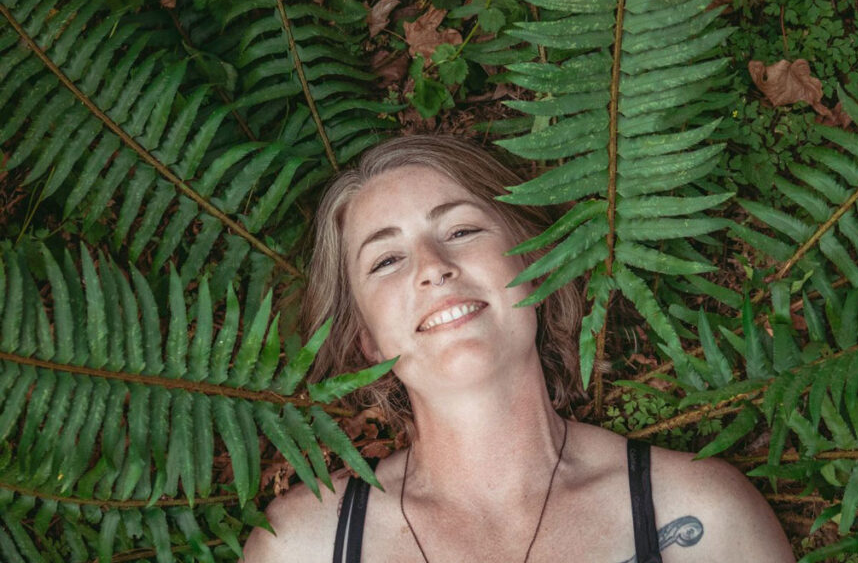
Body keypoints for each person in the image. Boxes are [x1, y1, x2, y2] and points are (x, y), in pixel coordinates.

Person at [242, 136, 795, 562]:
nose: (434, 268)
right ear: (363, 337)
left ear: (532, 264)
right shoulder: (303, 547)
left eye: (460, 230)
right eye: (386, 261)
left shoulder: (700, 513)